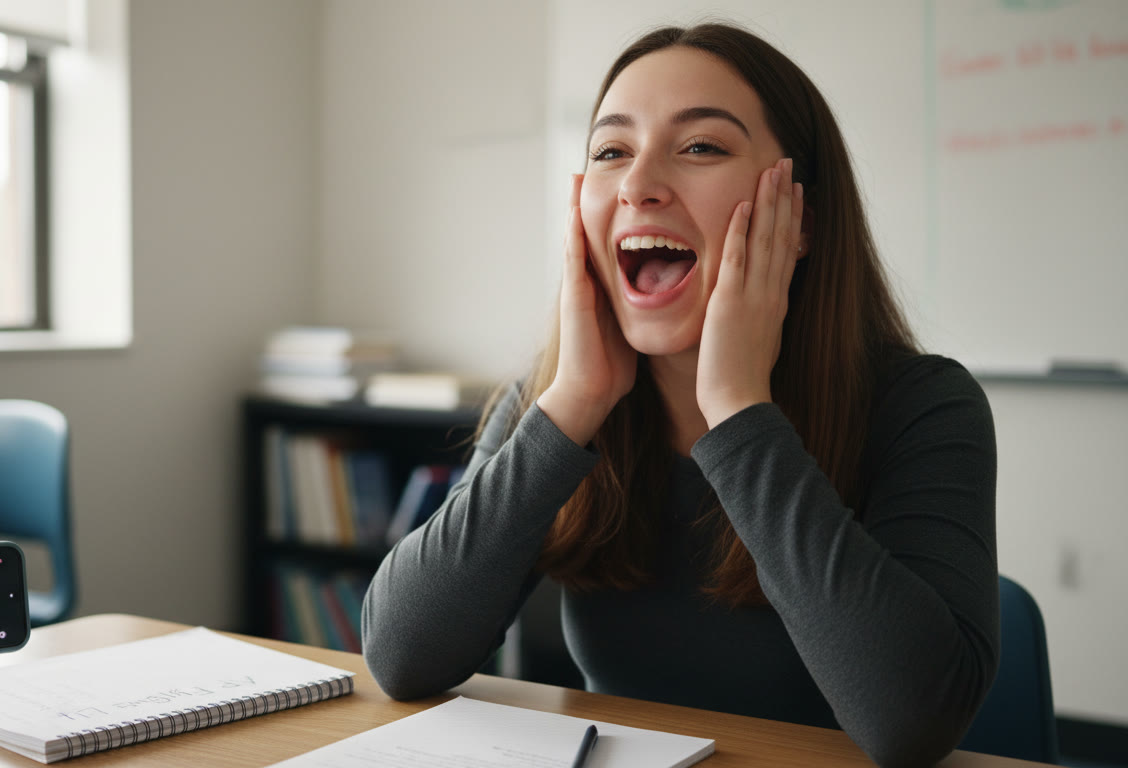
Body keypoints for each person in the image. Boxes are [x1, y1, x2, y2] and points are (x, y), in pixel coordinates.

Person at [361, 22, 998, 768]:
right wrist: (572, 405)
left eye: (700, 147)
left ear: (802, 221)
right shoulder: (560, 400)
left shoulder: (925, 406)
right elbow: (402, 658)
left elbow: (910, 725)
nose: (637, 185)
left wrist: (737, 410)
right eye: (610, 152)